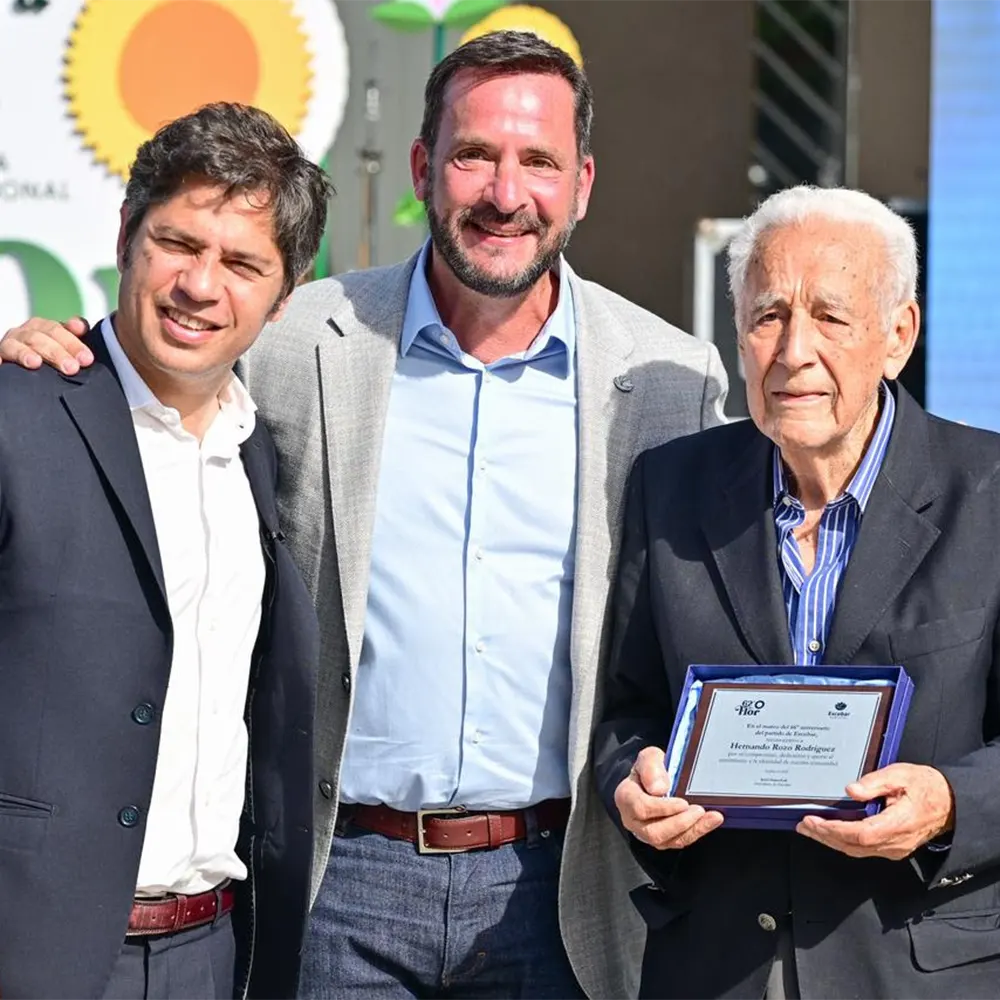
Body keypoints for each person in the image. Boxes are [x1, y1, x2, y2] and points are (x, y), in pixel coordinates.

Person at [1, 32, 728, 1000]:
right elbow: (158, 372)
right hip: (337, 880)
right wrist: (56, 352)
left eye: (538, 162)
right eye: (474, 154)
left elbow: (684, 633)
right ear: (425, 166)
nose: (505, 191)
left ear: (581, 182)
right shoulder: (295, 338)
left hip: (554, 885)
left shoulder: (666, 379)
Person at [594, 184, 1000, 1000]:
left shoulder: (987, 493)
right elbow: (629, 709)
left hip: (913, 969)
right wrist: (628, 785)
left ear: (899, 334)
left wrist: (950, 802)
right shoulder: (671, 488)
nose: (793, 351)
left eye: (832, 317)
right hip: (716, 968)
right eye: (768, 315)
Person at [0, 103, 329, 1000]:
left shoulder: (256, 451)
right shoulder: (18, 412)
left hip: (214, 954)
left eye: (242, 263)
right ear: (125, 236)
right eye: (178, 244)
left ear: (285, 292)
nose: (199, 285)